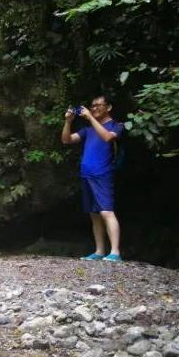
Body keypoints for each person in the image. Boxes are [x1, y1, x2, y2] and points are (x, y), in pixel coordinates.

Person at [60, 94, 124, 262]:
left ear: (108, 107)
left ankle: (115, 252)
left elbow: (108, 137)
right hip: (86, 175)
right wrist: (68, 121)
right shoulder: (88, 129)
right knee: (94, 214)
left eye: (98, 105)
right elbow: (67, 140)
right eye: (92, 105)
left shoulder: (116, 125)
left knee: (106, 211)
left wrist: (89, 117)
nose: (94, 108)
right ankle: (99, 251)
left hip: (102, 174)